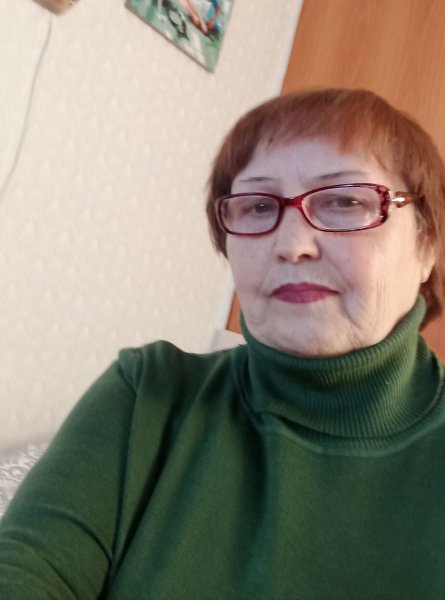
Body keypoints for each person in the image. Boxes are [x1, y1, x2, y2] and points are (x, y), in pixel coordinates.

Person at [0, 87, 445, 599]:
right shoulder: (148, 393)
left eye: (345, 201)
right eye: (258, 206)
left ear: (427, 243)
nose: (292, 245)